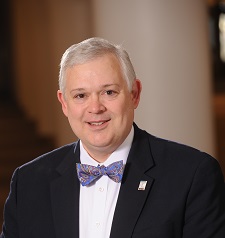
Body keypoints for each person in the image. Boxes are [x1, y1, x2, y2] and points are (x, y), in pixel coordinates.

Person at [1, 37, 225, 238]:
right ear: (64, 103)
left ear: (134, 94)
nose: (95, 108)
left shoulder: (192, 174)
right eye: (80, 95)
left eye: (109, 92)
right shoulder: (28, 182)